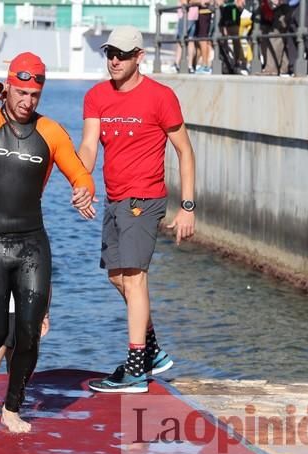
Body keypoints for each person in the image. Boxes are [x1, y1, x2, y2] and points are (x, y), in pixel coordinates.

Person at [0, 52, 95, 433]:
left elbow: (80, 173)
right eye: (21, 92)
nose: (27, 101)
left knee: (30, 333)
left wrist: (83, 190)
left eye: (34, 94)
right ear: (9, 87)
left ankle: (12, 408)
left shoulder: (50, 132)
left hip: (32, 244)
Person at [74, 26, 196, 393]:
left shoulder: (161, 97)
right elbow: (89, 147)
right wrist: (80, 179)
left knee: (135, 277)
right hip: (114, 198)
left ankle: (136, 368)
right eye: (110, 53)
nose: (114, 60)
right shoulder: (96, 96)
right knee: (117, 277)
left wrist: (187, 206)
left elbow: (185, 152)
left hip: (145, 199)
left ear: (138, 57)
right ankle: (153, 351)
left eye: (122, 55)